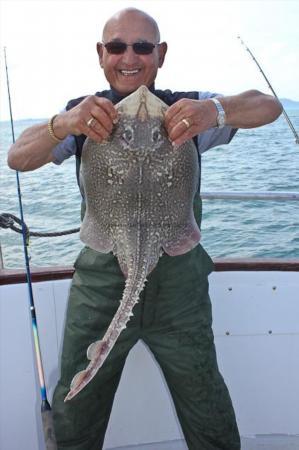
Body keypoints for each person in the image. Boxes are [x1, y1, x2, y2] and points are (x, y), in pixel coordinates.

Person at [7, 7, 282, 450]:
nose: (129, 56)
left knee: (206, 404)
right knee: (75, 410)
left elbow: (267, 105)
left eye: (142, 46)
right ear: (101, 54)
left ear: (161, 54)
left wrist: (215, 110)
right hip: (100, 289)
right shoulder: (84, 116)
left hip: (179, 296)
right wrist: (66, 122)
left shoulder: (186, 109)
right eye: (117, 46)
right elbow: (17, 157)